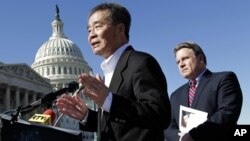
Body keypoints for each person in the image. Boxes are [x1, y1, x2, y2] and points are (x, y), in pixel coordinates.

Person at [56, 2, 171, 141]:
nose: (91, 35)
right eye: (89, 30)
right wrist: (86, 116)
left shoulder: (141, 62)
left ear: (120, 29)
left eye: (97, 27)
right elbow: (118, 124)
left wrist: (109, 101)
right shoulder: (110, 71)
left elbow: (160, 115)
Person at [164, 41, 243, 141]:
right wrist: (181, 138)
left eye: (185, 58)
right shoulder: (175, 95)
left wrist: (193, 135)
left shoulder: (224, 79)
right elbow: (169, 126)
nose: (181, 64)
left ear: (200, 59)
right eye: (178, 62)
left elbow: (227, 113)